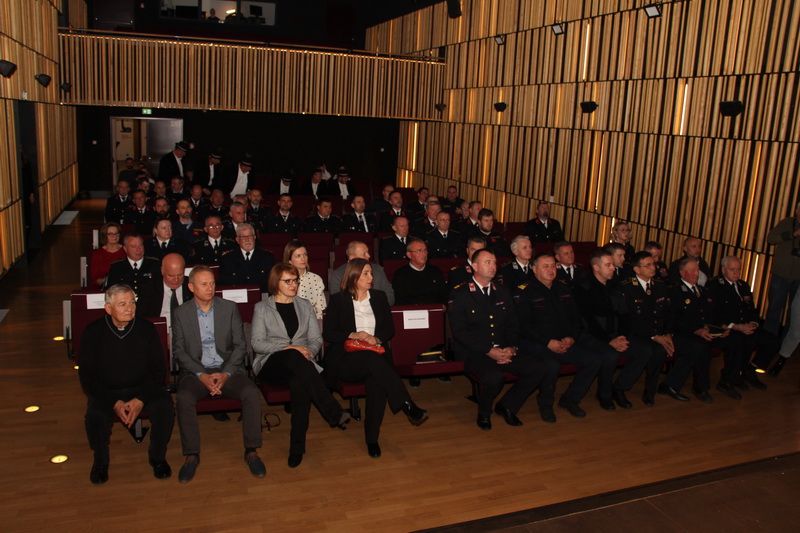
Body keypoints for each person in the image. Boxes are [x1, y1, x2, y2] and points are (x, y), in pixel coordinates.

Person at [323, 259, 429, 458]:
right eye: (366, 273)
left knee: (377, 383)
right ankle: (407, 404)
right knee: (373, 361)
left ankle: (372, 438)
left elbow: (389, 329)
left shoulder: (379, 297)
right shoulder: (339, 300)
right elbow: (328, 333)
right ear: (354, 276)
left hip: (376, 356)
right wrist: (352, 334)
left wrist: (377, 338)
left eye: (371, 273)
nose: (371, 277)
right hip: (347, 359)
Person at [251, 263, 350, 468]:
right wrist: (289, 348)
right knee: (293, 356)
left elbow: (315, 339)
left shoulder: (304, 305)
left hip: (301, 365)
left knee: (300, 383)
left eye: (295, 280)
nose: (293, 284)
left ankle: (297, 447)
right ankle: (332, 409)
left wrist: (308, 351)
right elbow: (257, 343)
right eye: (288, 281)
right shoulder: (262, 308)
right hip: (272, 364)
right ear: (275, 283)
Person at [172, 266, 265, 482]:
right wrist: (201, 374)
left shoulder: (229, 308)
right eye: (204, 284)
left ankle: (251, 450)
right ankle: (191, 454)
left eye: (212, 283)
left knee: (251, 392)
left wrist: (226, 374)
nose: (210, 288)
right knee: (184, 397)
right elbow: (179, 351)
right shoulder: (181, 313)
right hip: (196, 370)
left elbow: (240, 346)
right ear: (191, 287)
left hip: (227, 368)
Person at [79, 284, 174, 484]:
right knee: (94, 417)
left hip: (142, 389)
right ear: (108, 308)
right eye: (122, 304)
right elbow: (88, 377)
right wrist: (114, 402)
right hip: (108, 392)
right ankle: (100, 462)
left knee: (165, 406)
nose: (130, 308)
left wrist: (140, 399)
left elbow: (158, 371)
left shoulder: (146, 329)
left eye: (132, 303)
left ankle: (157, 457)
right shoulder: (93, 332)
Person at [448, 249, 547, 429]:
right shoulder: (460, 294)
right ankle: (484, 412)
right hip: (475, 352)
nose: (493, 266)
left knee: (538, 368)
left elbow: (512, 324)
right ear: (474, 266)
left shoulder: (502, 291)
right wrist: (488, 350)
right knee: (494, 377)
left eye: (494, 262)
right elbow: (460, 332)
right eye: (487, 262)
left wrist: (512, 348)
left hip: (503, 348)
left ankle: (507, 405)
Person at [517, 252, 614, 420]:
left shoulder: (563, 288)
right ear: (534, 269)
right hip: (538, 343)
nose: (550, 270)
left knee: (594, 359)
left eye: (553, 266)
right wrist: (548, 342)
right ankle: (546, 404)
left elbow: (576, 319)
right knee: (551, 365)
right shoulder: (525, 291)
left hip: (565, 341)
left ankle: (570, 399)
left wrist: (571, 338)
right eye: (545, 266)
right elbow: (524, 326)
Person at [574, 250, 660, 409]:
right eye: (608, 265)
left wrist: (622, 337)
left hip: (615, 334)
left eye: (612, 265)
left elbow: (624, 314)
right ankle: (604, 394)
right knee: (610, 355)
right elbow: (588, 321)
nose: (613, 268)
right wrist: (609, 341)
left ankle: (620, 388)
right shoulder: (583, 287)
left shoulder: (614, 285)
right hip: (591, 335)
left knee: (645, 350)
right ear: (596, 268)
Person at [665, 258, 746, 403]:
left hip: (704, 331)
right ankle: (700, 387)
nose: (697, 274)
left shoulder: (702, 291)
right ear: (682, 273)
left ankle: (727, 381)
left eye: (698, 270)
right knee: (701, 346)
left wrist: (720, 327)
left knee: (735, 340)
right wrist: (696, 330)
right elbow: (674, 320)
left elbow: (710, 315)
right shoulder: (674, 291)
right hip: (685, 333)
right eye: (693, 271)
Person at [708, 256, 777, 388]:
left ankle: (750, 370)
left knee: (773, 340)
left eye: (738, 270)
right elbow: (714, 314)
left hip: (746, 326)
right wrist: (736, 326)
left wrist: (753, 324)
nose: (736, 273)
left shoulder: (743, 286)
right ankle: (729, 379)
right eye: (732, 269)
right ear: (724, 270)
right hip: (729, 328)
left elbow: (752, 310)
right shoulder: (715, 286)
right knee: (739, 341)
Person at [616, 251, 673, 406]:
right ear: (637, 269)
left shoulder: (660, 285)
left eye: (653, 264)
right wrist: (654, 336)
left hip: (656, 333)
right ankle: (620, 387)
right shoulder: (627, 287)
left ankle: (650, 390)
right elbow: (630, 320)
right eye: (647, 265)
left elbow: (667, 313)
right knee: (646, 350)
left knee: (660, 351)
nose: (652, 268)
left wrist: (667, 333)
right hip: (635, 334)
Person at [764, 202, 800, 335]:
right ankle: (768, 337)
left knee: (795, 313)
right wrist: (793, 234)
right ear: (797, 211)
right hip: (781, 274)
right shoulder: (787, 223)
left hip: (798, 277)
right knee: (774, 308)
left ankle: (787, 341)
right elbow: (771, 239)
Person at [135, 253, 193, 326]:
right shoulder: (149, 289)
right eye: (171, 276)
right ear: (162, 271)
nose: (176, 280)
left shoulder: (193, 286)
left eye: (180, 275)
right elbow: (141, 318)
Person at [329, 241, 395, 305]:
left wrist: (376, 308)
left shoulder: (377, 269)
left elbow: (389, 293)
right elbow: (337, 301)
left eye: (368, 252)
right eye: (364, 254)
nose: (369, 256)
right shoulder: (338, 274)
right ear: (352, 258)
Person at [219, 223, 275, 292]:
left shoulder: (267, 257)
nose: (247, 239)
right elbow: (224, 285)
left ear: (254, 237)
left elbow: (273, 284)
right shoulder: (227, 259)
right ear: (237, 240)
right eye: (243, 237)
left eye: (250, 236)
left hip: (261, 296)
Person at [391, 239, 447, 305]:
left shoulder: (435, 271)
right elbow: (400, 300)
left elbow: (444, 294)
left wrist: (443, 305)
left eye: (425, 250)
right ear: (409, 255)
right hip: (412, 310)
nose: (424, 254)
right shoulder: (401, 274)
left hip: (434, 308)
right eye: (419, 251)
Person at [284, 240, 326, 320]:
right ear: (290, 261)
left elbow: (320, 309)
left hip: (312, 321)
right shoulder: (283, 280)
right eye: (298, 256)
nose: (303, 259)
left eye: (305, 255)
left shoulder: (316, 279)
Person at [90, 222, 126, 288]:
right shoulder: (98, 253)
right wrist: (107, 285)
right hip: (104, 287)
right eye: (110, 234)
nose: (115, 236)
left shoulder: (126, 250)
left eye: (116, 233)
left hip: (123, 286)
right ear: (104, 236)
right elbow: (95, 277)